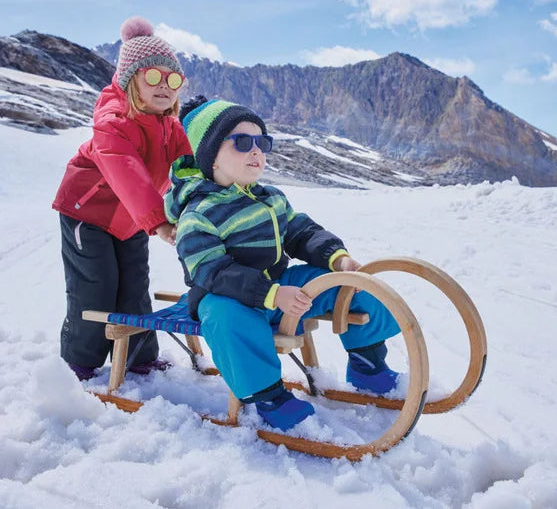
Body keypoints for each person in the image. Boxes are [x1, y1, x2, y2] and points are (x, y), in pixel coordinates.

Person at [164, 96, 401, 430]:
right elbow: (212, 272)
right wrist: (273, 294)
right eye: (242, 142)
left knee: (353, 284)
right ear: (209, 156)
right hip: (227, 297)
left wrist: (337, 257)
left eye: (262, 142)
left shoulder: (270, 198)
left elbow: (300, 232)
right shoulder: (197, 215)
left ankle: (368, 364)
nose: (256, 151)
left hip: (279, 290)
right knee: (226, 320)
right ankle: (268, 397)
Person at [53, 16, 192, 381]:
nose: (164, 85)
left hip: (132, 219)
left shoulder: (171, 126)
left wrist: (205, 206)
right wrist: (159, 220)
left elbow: (189, 168)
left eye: (173, 79)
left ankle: (139, 357)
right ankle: (80, 361)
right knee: (96, 285)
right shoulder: (113, 120)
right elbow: (124, 171)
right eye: (152, 76)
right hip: (89, 213)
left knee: (134, 283)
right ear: (131, 80)